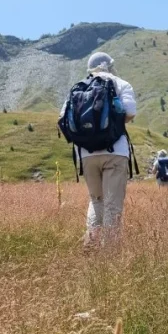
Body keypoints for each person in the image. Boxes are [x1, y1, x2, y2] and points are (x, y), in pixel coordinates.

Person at [58, 52, 136, 247]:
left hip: (86, 154)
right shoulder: (121, 84)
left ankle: (90, 245)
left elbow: (62, 119)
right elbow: (130, 113)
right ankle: (108, 253)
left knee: (96, 200)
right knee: (112, 204)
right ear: (109, 65)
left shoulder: (79, 87)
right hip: (115, 151)